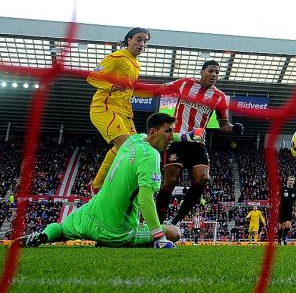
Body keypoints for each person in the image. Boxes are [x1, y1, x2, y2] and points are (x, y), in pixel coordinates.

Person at [19, 113, 192, 248]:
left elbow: (165, 136)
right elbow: (145, 200)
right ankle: (123, 238)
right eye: (168, 131)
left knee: (62, 229)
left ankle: (44, 235)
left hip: (89, 214)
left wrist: (186, 136)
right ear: (154, 132)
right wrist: (159, 238)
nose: (171, 136)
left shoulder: (134, 139)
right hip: (115, 231)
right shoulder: (151, 157)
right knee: (174, 232)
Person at [154, 60, 243, 224]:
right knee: (170, 182)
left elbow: (223, 125)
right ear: (202, 71)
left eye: (217, 72)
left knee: (202, 179)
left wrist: (234, 128)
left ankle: (175, 222)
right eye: (211, 71)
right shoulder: (185, 84)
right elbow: (159, 89)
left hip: (198, 144)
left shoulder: (220, 97)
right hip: (178, 140)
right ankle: (158, 223)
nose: (214, 75)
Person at [86, 27, 150, 195]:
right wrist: (112, 86)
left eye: (145, 41)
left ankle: (105, 185)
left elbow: (127, 91)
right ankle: (97, 185)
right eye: (138, 39)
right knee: (128, 145)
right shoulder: (117, 57)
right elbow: (92, 76)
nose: (142, 43)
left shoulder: (136, 64)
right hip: (104, 108)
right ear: (129, 40)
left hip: (124, 112)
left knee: (137, 147)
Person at [278, 176, 296, 245]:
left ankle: (283, 238)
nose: (291, 182)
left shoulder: (295, 190)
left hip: (289, 209)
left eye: (292, 180)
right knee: (280, 226)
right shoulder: (283, 189)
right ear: (287, 181)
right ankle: (279, 241)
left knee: (288, 226)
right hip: (282, 209)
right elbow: (278, 199)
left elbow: (295, 201)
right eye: (289, 180)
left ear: (294, 182)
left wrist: (295, 210)